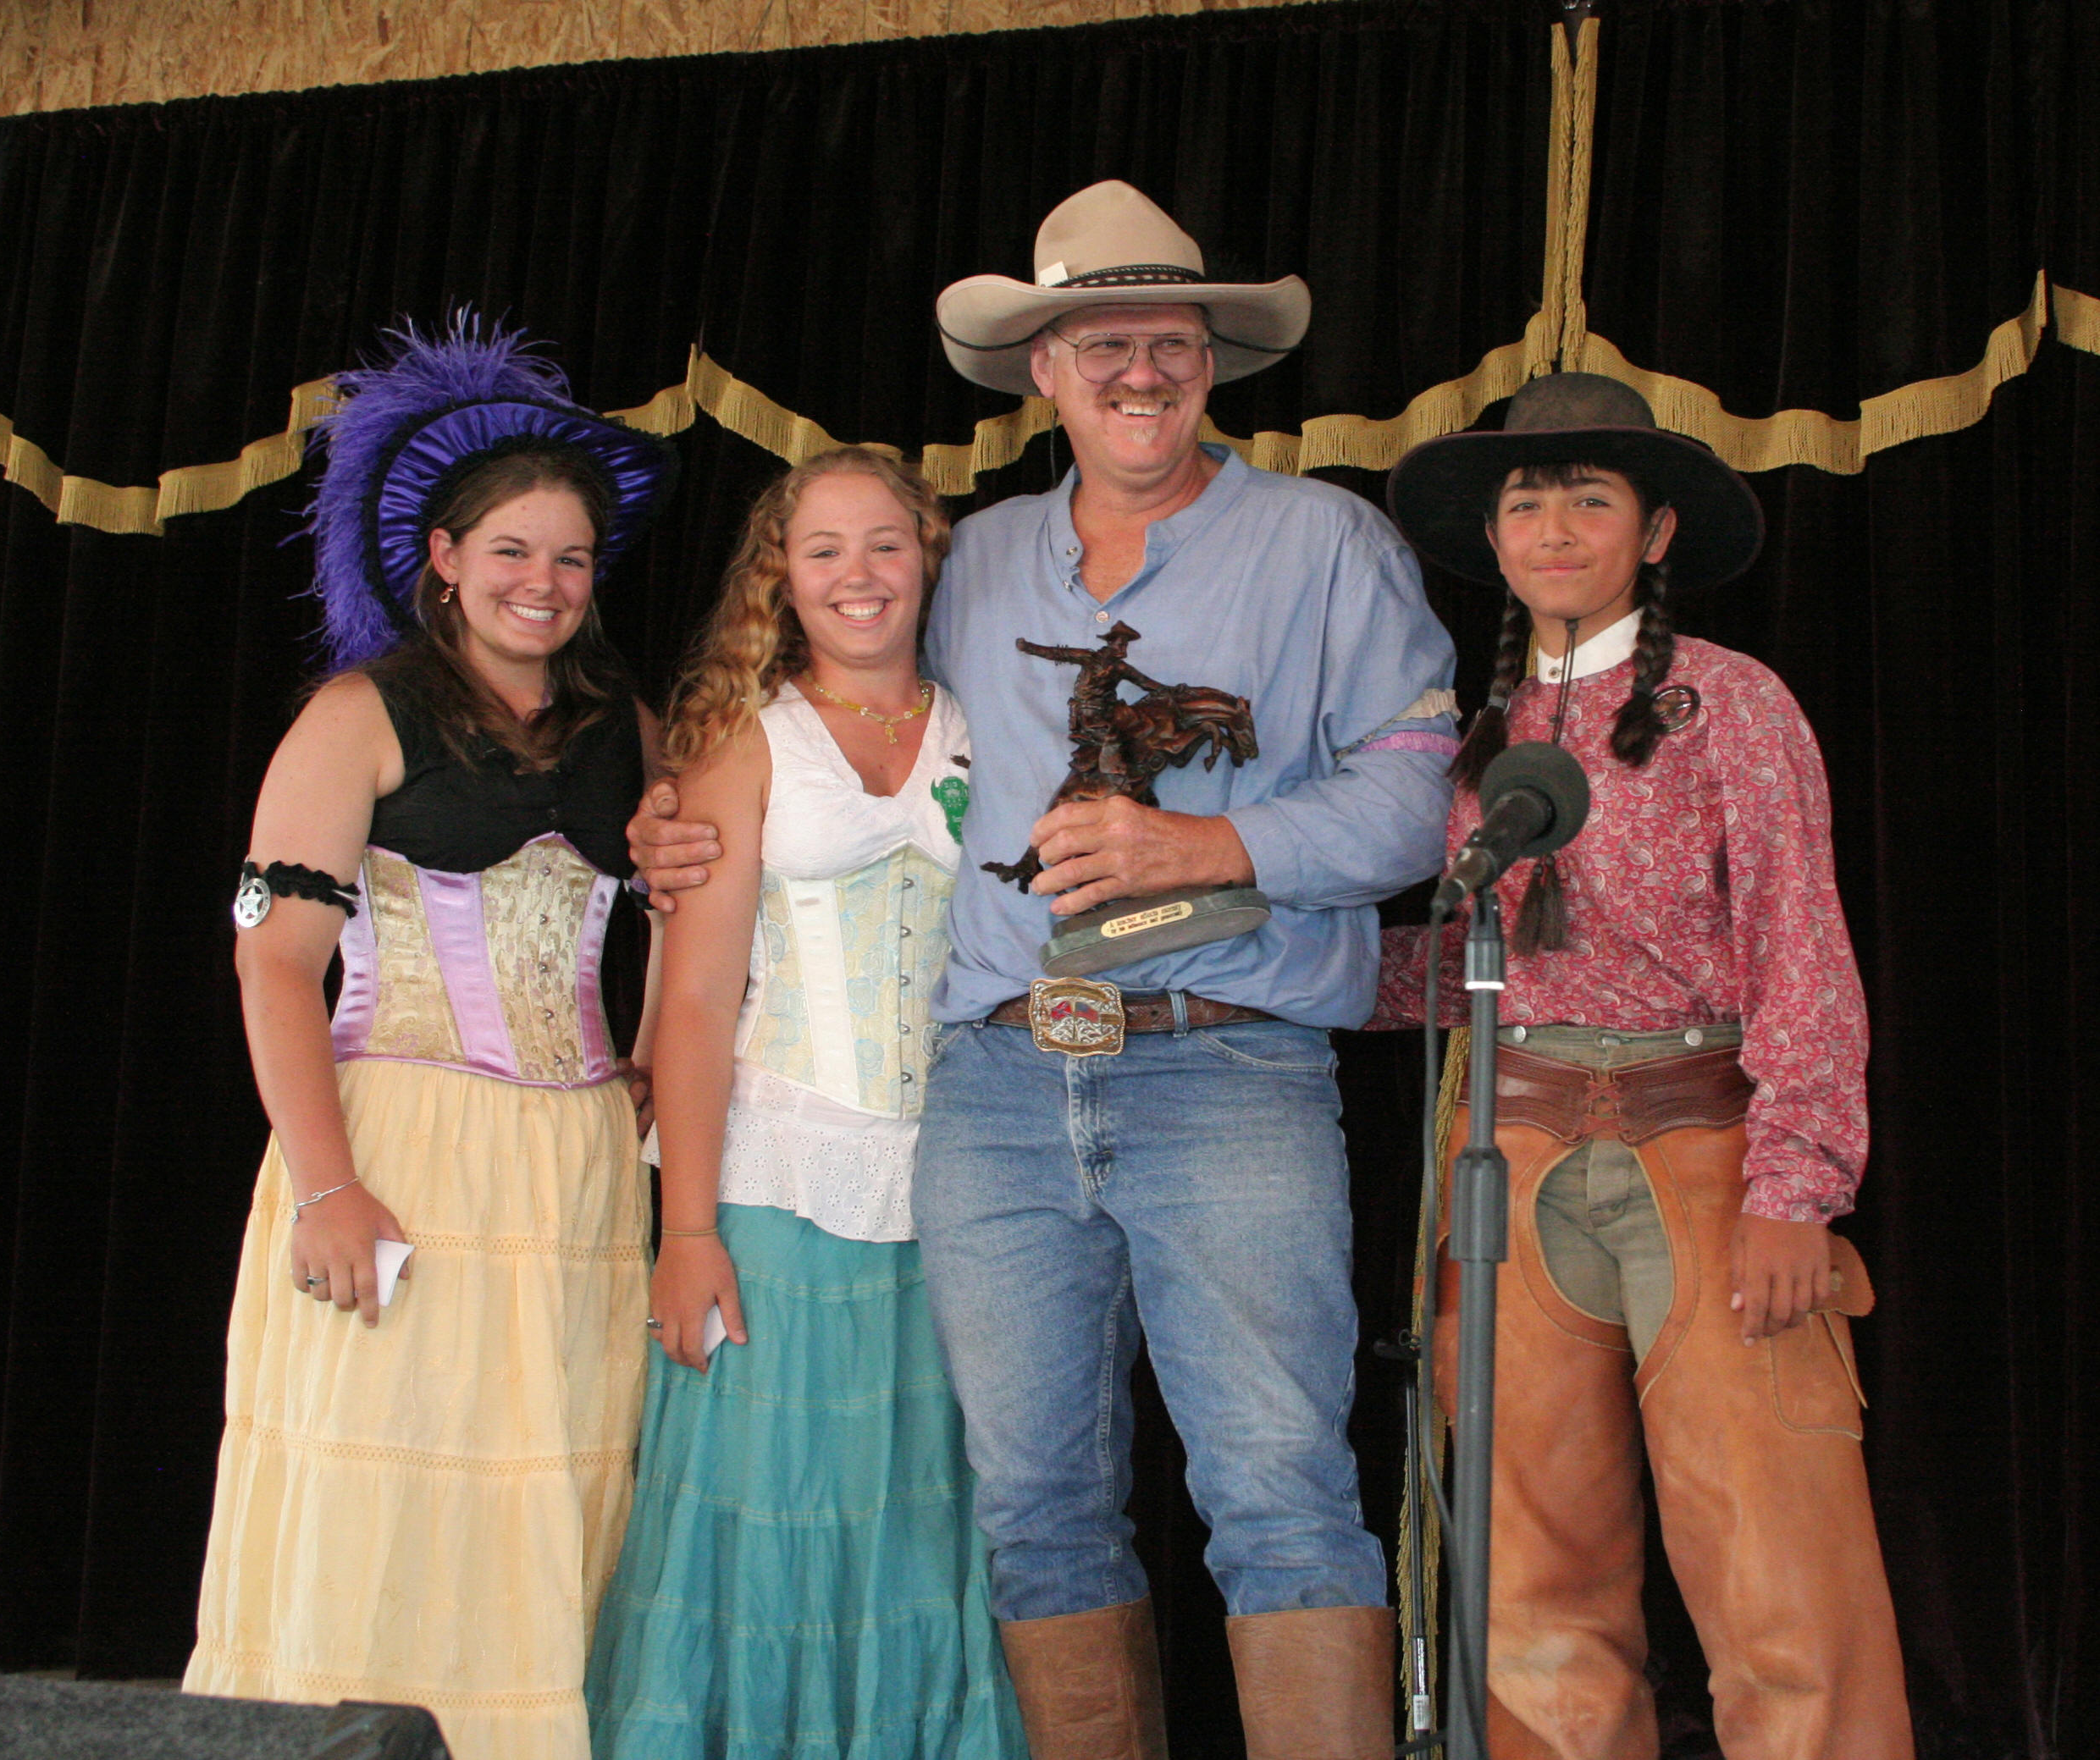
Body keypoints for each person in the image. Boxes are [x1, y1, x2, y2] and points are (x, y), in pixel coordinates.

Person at [631, 182, 1460, 1758]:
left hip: (1227, 1065)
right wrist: (681, 807)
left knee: (1279, 1489)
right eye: (1100, 346)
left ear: (1212, 362)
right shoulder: (981, 559)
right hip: (998, 1085)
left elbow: (1416, 807)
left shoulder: (1324, 543)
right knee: (1033, 1509)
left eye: (1168, 343)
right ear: (1044, 374)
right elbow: (831, 690)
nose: (1137, 372)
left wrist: (1203, 846)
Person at [1371, 372, 1914, 1757]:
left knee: (1777, 1568)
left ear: (1653, 532)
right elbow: (1473, 963)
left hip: (1698, 1143)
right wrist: (1264, 965)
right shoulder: (1473, 734)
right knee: (1530, 1582)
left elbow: (1798, 942)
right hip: (1515, 1141)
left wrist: (1794, 1188)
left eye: (1588, 498)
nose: (1553, 528)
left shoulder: (1726, 703)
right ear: (1492, 537)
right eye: (1525, 501)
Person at [183, 323, 677, 1760]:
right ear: (446, 557)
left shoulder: (627, 723)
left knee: (542, 1494)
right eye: (513, 550)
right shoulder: (360, 714)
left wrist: (648, 1061)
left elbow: (697, 907)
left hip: (575, 1167)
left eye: (572, 557)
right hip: (398, 1149)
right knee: (379, 1490)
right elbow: (275, 964)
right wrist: (329, 1187)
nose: (545, 582)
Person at [583, 448, 1026, 1759]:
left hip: (960, 1186)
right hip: (777, 1187)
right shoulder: (746, 740)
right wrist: (686, 1232)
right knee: (770, 1501)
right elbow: (695, 1005)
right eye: (822, 549)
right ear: (781, 575)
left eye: (883, 543)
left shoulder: (984, 723)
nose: (857, 574)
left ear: (927, 556)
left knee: (924, 1517)